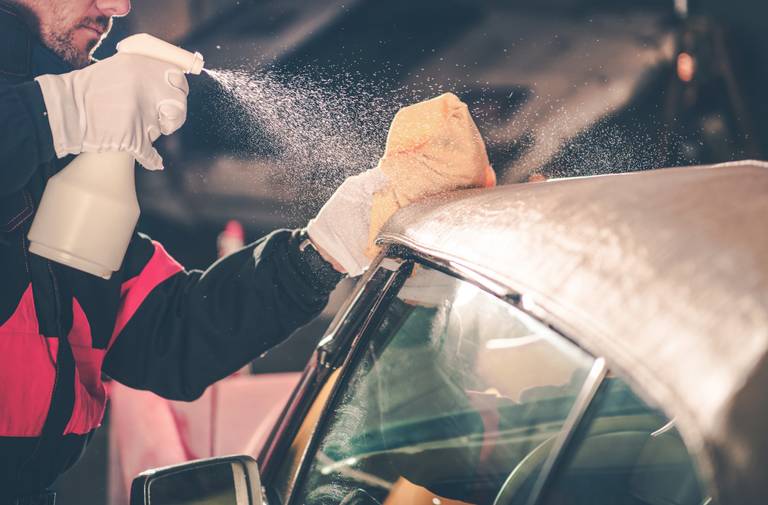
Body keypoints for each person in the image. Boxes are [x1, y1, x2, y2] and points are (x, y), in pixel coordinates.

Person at [0, 0, 420, 503]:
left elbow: (167, 331)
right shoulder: (44, 124)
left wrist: (323, 248)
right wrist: (55, 111)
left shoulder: (54, 169)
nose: (117, 6)